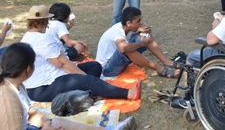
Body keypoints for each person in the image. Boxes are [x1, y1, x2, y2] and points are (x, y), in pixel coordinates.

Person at [0, 43, 137, 130]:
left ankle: (109, 129)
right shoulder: (7, 99)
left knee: (59, 122)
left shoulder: (16, 85)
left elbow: (29, 111)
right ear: (28, 69)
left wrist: (45, 123)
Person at [20, 5, 141, 102]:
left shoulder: (28, 36)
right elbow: (63, 64)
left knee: (95, 66)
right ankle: (128, 94)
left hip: (50, 78)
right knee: (89, 81)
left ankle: (90, 94)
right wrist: (84, 77)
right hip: (43, 87)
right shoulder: (41, 39)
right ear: (44, 21)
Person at [96, 7, 180, 78]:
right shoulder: (117, 31)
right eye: (138, 21)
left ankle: (167, 62)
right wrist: (142, 43)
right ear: (129, 23)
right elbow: (122, 48)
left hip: (116, 62)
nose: (141, 22)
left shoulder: (129, 28)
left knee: (146, 37)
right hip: (107, 69)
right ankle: (159, 69)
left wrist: (146, 32)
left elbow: (143, 37)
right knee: (126, 49)